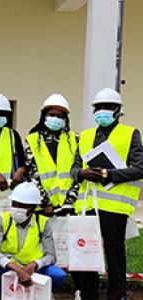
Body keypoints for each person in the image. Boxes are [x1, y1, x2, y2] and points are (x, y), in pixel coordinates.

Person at [70, 88, 143, 300]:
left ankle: (117, 295)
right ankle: (88, 295)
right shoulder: (84, 136)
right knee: (86, 254)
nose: (102, 111)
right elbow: (73, 169)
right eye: (99, 108)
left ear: (118, 111)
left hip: (114, 206)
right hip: (87, 205)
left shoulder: (130, 134)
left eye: (108, 108)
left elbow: (139, 168)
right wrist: (82, 173)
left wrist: (108, 174)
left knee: (114, 255)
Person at [0, 182, 65, 297]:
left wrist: (35, 264)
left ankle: (37, 294)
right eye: (15, 204)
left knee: (58, 275)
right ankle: (2, 294)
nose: (17, 208)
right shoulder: (3, 219)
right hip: (8, 267)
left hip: (33, 269)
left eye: (23, 205)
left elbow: (51, 256)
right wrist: (18, 270)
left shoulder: (42, 222)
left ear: (33, 208)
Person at [24, 94, 79, 217]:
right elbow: (33, 174)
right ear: (44, 116)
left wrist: (69, 201)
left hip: (70, 207)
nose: (55, 118)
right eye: (52, 115)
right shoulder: (32, 140)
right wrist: (45, 203)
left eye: (59, 116)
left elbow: (79, 172)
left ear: (65, 119)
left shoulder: (75, 139)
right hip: (43, 208)